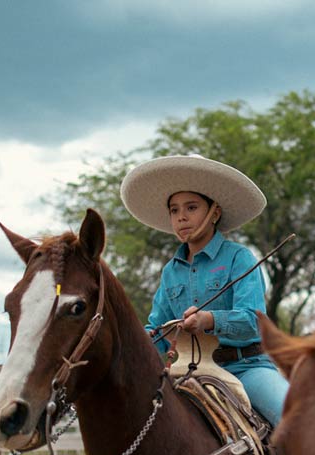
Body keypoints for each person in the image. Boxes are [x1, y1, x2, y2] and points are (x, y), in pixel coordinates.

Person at [120, 154, 288, 427]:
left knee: (295, 420)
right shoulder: (170, 272)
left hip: (246, 368)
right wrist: (128, 341)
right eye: (174, 210)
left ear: (215, 212)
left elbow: (253, 322)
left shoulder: (239, 258)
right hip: (188, 372)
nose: (181, 217)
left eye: (191, 207)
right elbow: (159, 332)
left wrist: (209, 320)